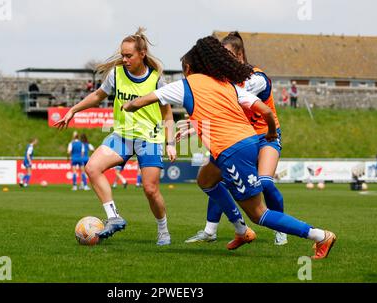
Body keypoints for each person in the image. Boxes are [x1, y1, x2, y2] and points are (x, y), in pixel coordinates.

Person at [123, 36, 336, 259]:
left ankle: (320, 236)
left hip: (232, 150)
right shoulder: (226, 85)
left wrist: (127, 105)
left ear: (188, 68)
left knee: (258, 213)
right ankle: (241, 231)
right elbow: (265, 111)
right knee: (205, 179)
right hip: (247, 142)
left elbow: (140, 101)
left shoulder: (185, 85)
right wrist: (272, 133)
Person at [54, 27, 177, 246]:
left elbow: (167, 113)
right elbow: (98, 96)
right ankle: (113, 217)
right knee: (92, 168)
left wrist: (170, 143)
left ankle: (163, 230)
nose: (124, 58)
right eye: (122, 54)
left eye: (129, 55)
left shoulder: (156, 79)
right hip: (121, 136)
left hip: (149, 138)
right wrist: (73, 110)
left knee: (150, 189)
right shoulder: (116, 74)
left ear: (142, 54)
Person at [184, 31, 288, 247]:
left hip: (266, 135)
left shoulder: (256, 78)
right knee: (216, 179)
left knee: (265, 182)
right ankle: (210, 230)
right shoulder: (226, 82)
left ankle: (281, 229)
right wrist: (194, 127)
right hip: (241, 138)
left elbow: (230, 100)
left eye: (228, 54)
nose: (223, 59)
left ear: (240, 54)